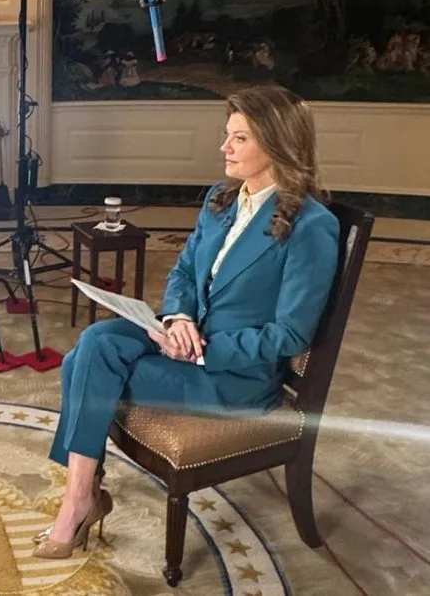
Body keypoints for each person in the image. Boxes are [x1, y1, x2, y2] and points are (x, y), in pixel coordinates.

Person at [32, 84, 341, 560]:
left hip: (234, 377)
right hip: (186, 335)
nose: (224, 147)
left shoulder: (312, 226)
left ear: (277, 143)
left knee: (83, 364)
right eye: (227, 134)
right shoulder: (221, 199)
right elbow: (182, 273)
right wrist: (178, 318)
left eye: (239, 138)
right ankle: (82, 496)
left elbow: (291, 334)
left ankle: (78, 502)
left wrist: (203, 350)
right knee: (97, 340)